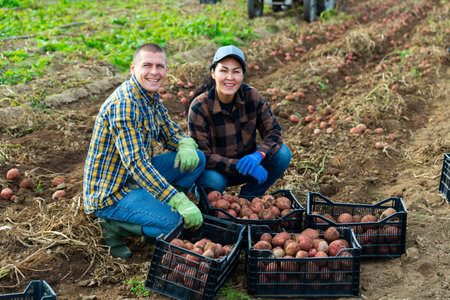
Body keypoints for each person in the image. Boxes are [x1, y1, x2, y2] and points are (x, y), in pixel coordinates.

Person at [83, 43, 205, 258]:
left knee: (197, 159)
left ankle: (154, 208)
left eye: (160, 66)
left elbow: (170, 132)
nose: (154, 72)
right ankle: (113, 226)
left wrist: (184, 143)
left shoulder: (150, 97)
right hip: (113, 192)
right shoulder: (125, 105)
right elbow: (138, 165)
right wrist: (178, 200)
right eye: (147, 65)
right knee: (174, 224)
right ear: (133, 68)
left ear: (167, 70)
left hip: (134, 179)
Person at [187, 45, 291, 197]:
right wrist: (237, 165)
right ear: (213, 73)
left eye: (236, 72)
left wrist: (259, 155)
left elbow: (274, 131)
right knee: (213, 181)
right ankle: (206, 197)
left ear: (242, 75)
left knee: (282, 154)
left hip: (248, 164)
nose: (230, 77)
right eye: (224, 70)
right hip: (216, 171)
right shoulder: (199, 107)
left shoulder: (251, 96)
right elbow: (202, 155)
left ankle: (249, 197)